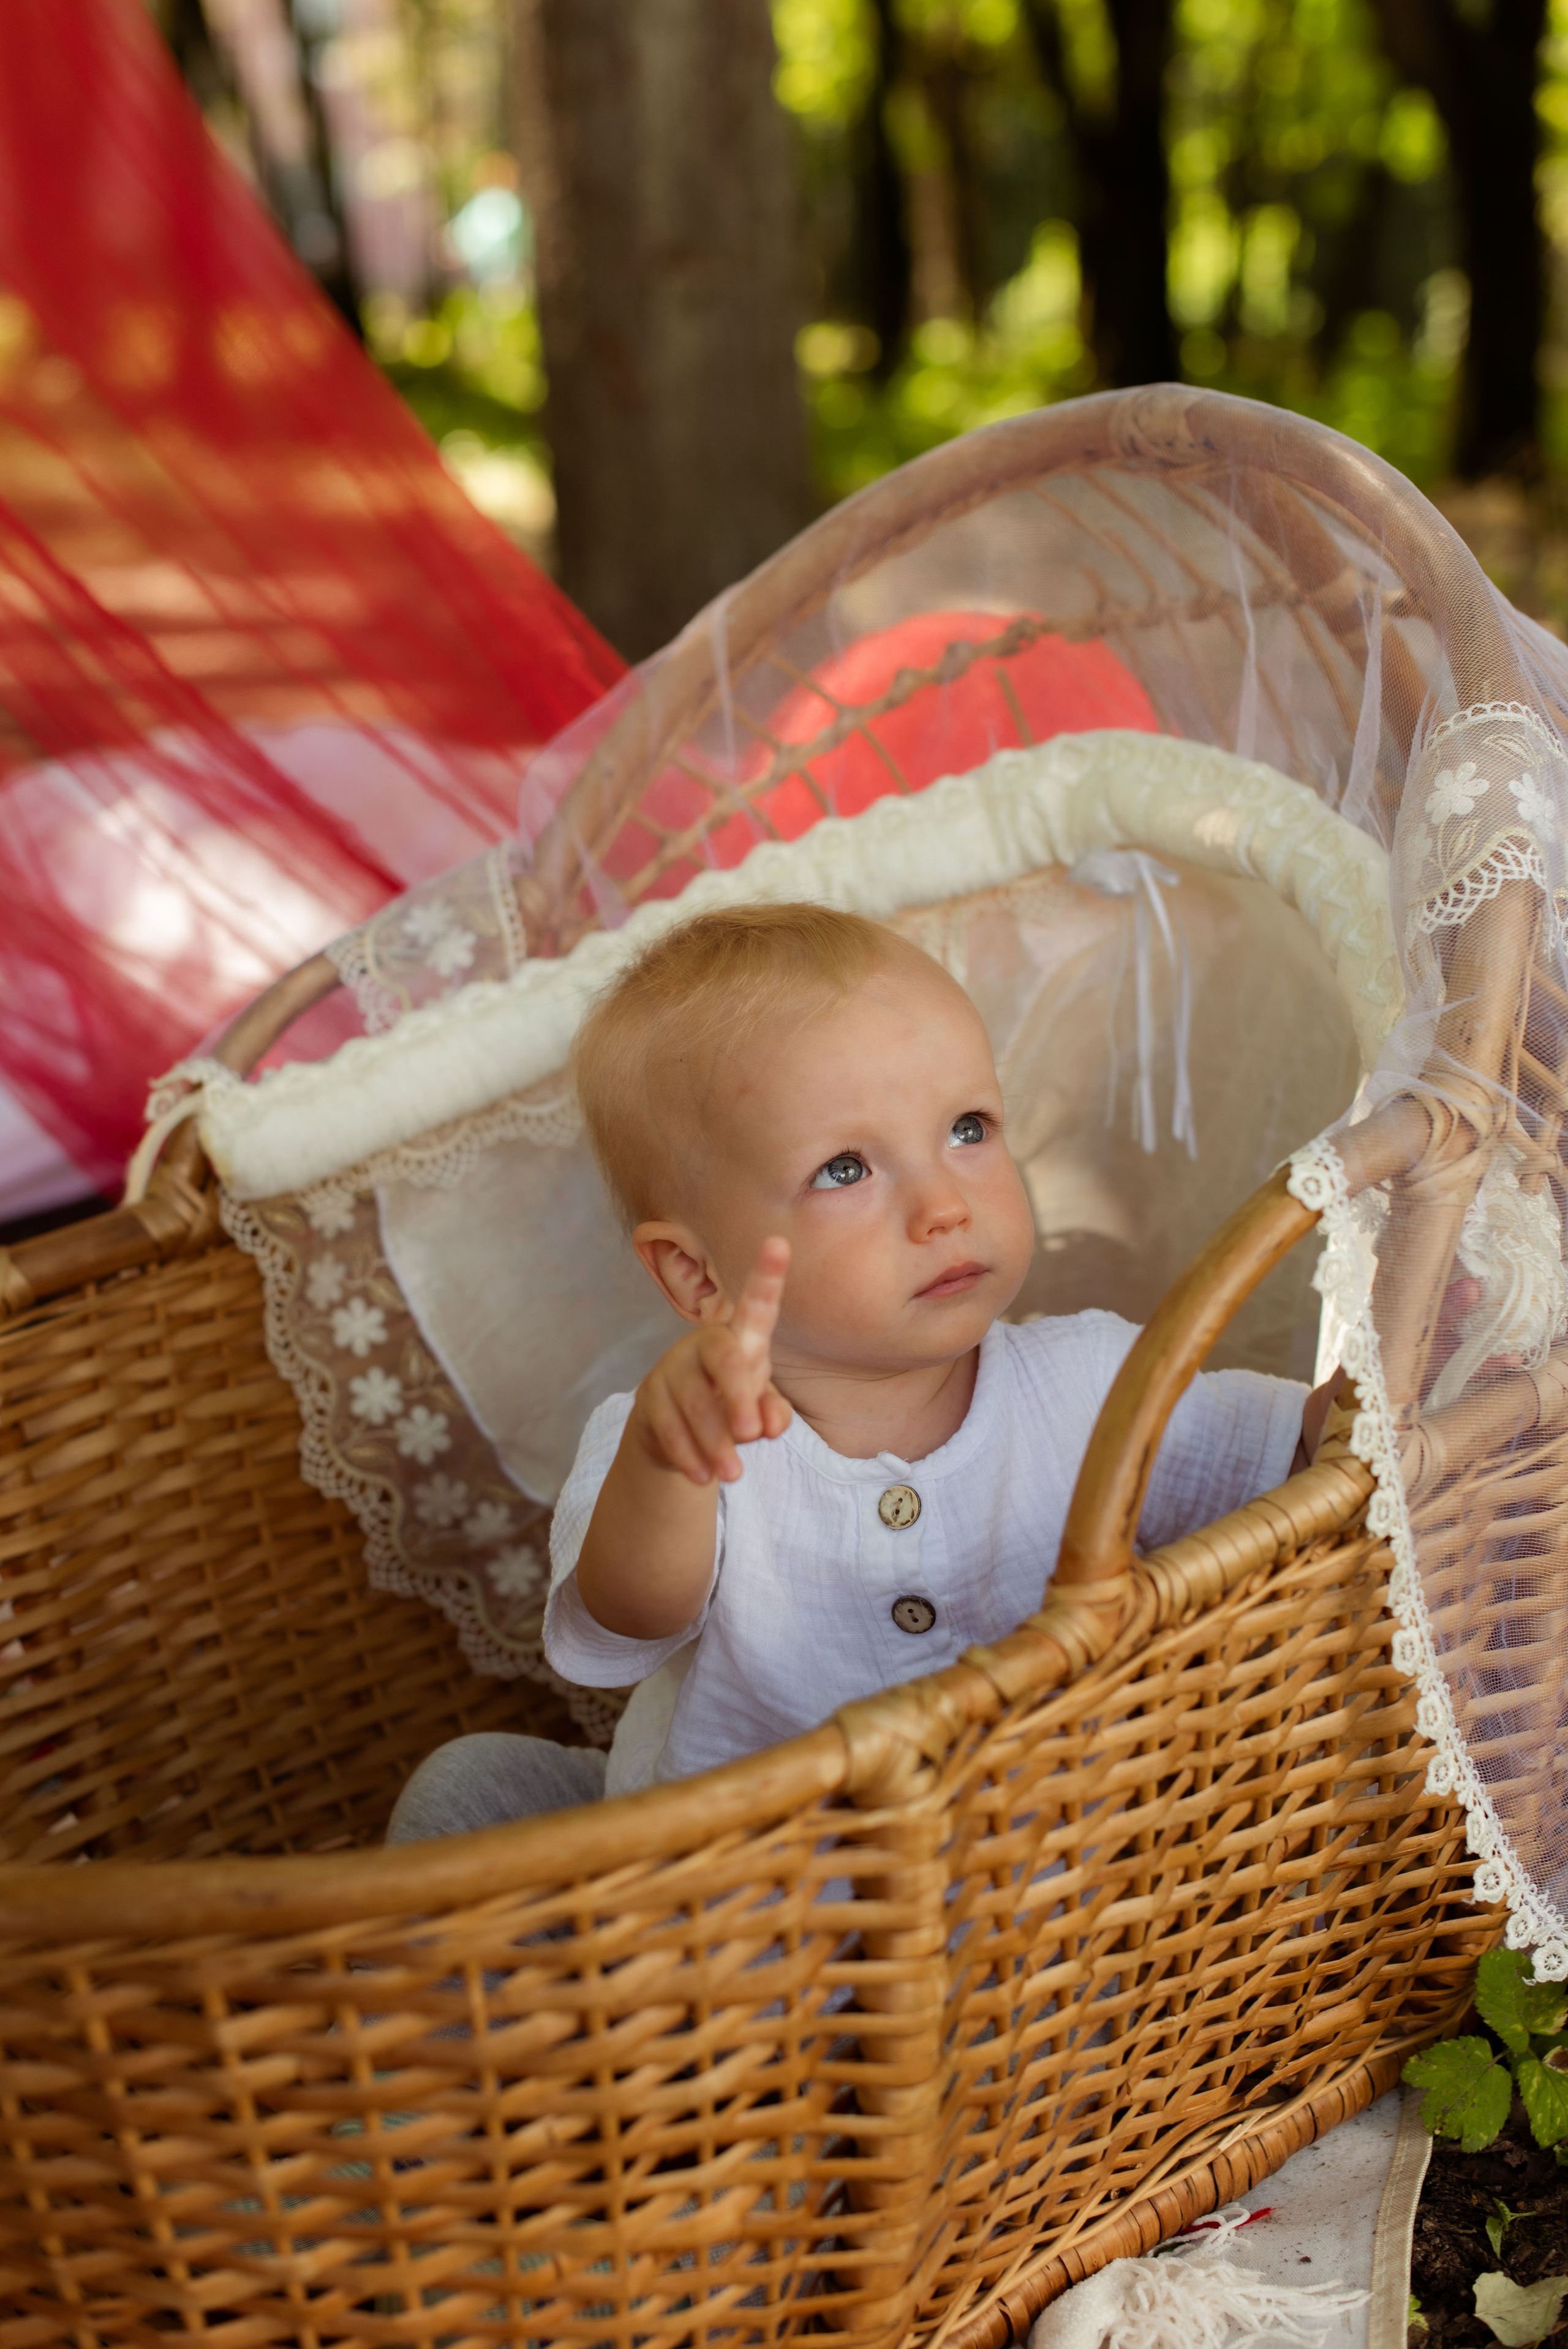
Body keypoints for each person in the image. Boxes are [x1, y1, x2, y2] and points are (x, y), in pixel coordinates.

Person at [387, 902, 1332, 1843]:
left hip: (1042, 1873)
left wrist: (1423, 1344)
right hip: (724, 1903)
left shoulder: (1090, 1379)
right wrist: (670, 1464)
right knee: (474, 1790)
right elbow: (629, 1622)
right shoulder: (681, 1433)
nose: (944, 1204)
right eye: (845, 1170)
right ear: (698, 1273)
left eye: (969, 1127)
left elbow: (1303, 1449)